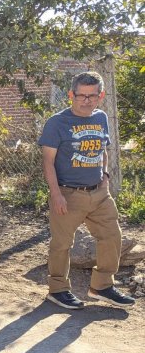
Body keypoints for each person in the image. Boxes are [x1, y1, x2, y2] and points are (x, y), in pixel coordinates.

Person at [38, 71, 136, 310]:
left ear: (100, 96)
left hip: (99, 193)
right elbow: (48, 162)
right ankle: (58, 289)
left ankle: (102, 286)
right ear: (71, 94)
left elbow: (104, 149)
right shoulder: (57, 123)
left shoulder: (101, 118)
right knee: (62, 244)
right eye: (81, 95)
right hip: (68, 193)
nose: (86, 100)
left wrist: (105, 175)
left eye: (92, 96)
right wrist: (56, 194)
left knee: (112, 236)